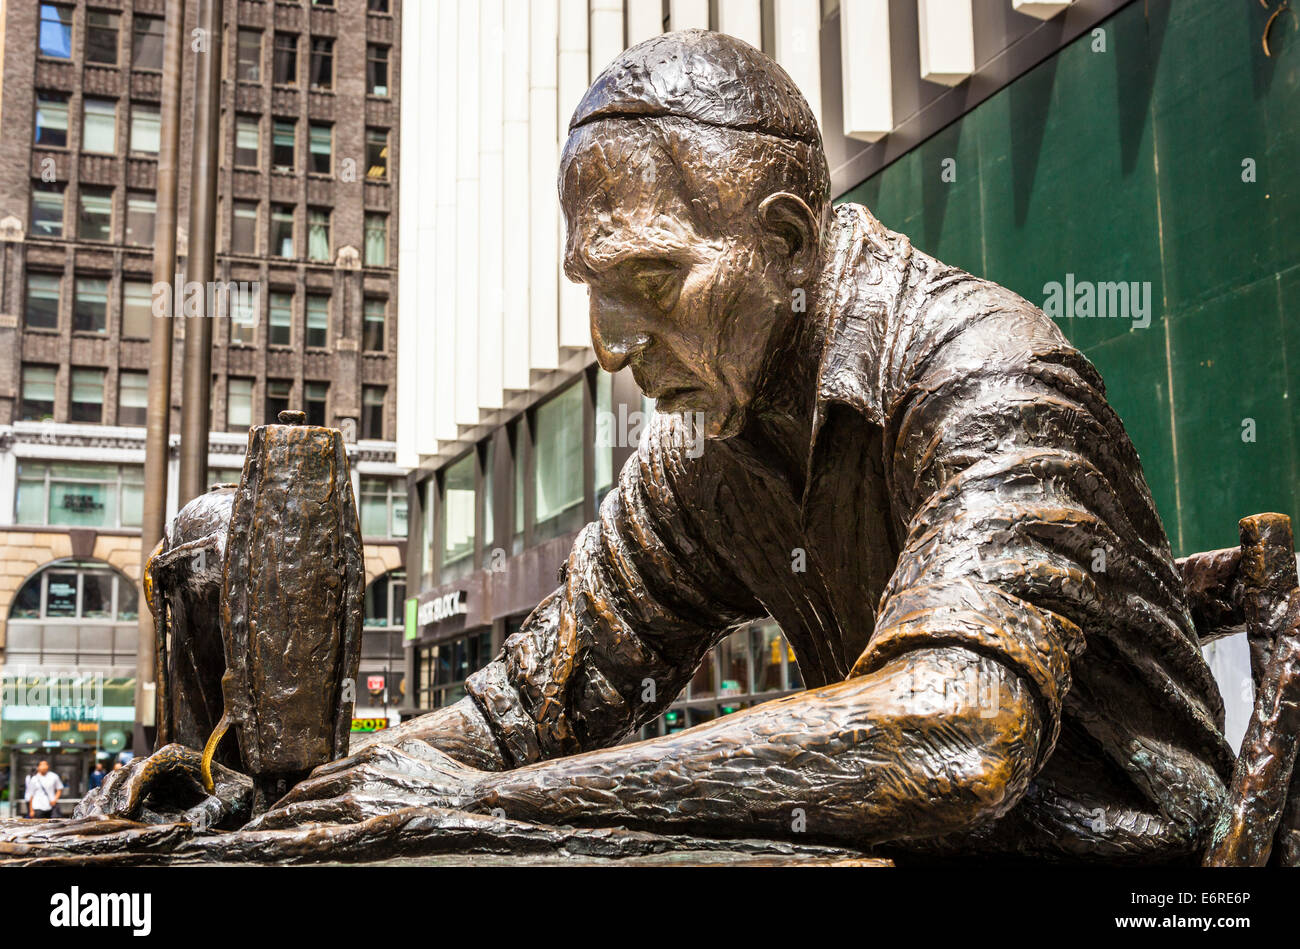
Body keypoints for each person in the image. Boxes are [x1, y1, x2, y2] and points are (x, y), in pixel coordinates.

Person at [85, 30, 1237, 863]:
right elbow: (518, 714)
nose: (608, 344)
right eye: (594, 287)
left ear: (787, 245)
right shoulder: (702, 450)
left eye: (649, 279)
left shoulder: (981, 365)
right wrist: (308, 796)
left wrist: (487, 808)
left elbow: (957, 730)